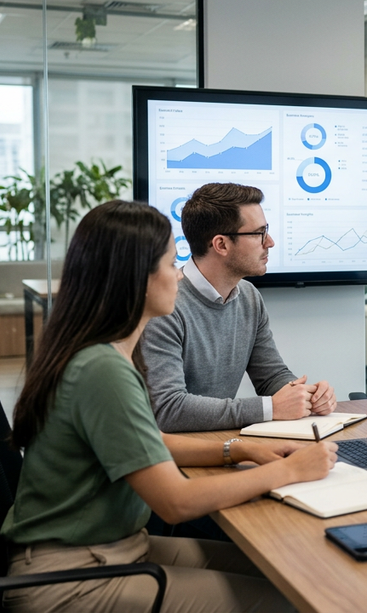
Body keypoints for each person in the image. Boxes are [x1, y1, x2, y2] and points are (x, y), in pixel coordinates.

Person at [2, 200, 338, 612]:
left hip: (118, 547)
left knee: (284, 570)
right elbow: (175, 502)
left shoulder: (103, 353)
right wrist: (287, 470)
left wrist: (239, 449)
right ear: (135, 280)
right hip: (72, 576)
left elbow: (151, 440)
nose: (177, 275)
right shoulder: (101, 369)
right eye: (168, 262)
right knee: (287, 601)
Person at [142, 182, 336, 433]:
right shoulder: (164, 307)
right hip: (176, 455)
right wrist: (270, 409)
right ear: (221, 245)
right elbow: (169, 410)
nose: (271, 242)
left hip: (222, 442)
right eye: (259, 233)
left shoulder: (248, 297)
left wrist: (306, 395)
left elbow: (271, 377)